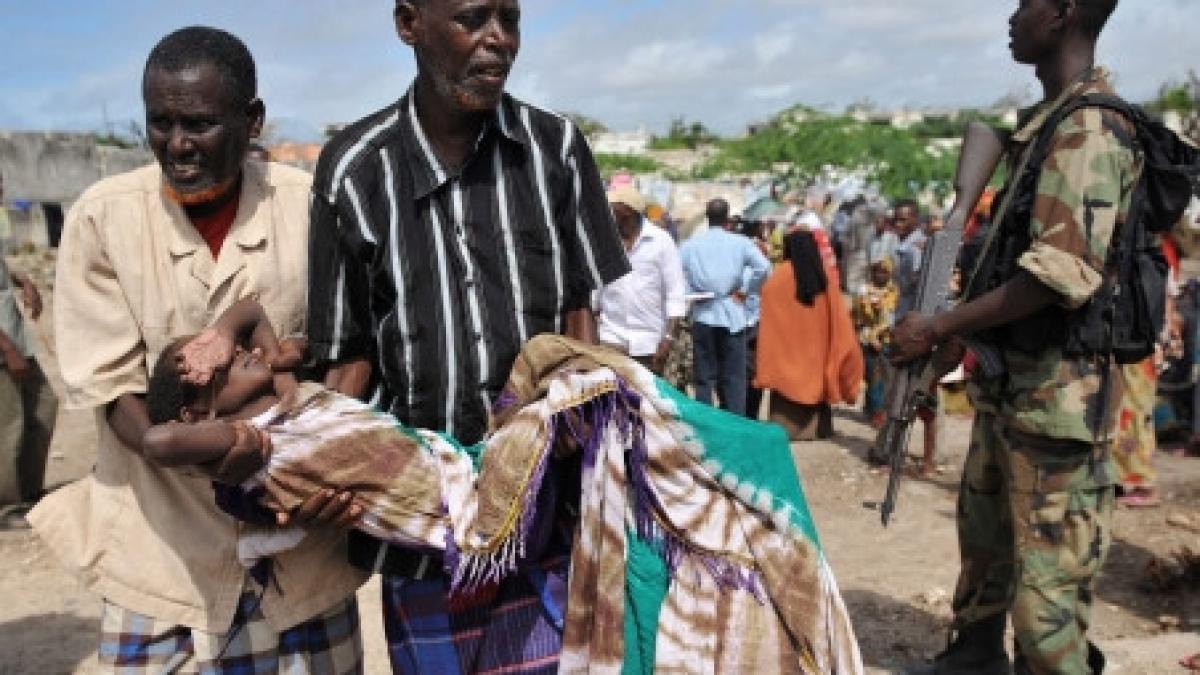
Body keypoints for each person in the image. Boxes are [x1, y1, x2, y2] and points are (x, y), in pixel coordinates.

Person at [30, 27, 367, 673]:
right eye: (161, 123)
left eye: (201, 124)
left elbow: (350, 349)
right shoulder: (104, 216)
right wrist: (201, 453)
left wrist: (318, 459)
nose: (177, 145)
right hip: (163, 555)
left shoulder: (309, 207)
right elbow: (111, 389)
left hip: (299, 549)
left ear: (253, 119)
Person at [306, 1, 630, 671]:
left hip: (549, 515)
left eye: (509, 20)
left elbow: (580, 319)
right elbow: (351, 353)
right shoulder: (354, 171)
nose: (498, 42)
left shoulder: (556, 151)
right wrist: (323, 457)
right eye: (473, 19)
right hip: (426, 528)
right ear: (408, 23)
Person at [891, 1, 1137, 672]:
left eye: (1025, 2)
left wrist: (940, 324)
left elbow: (1058, 277)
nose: (1011, 15)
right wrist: (951, 338)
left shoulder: (1090, 127)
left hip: (1059, 397)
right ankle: (972, 656)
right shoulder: (1045, 128)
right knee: (986, 552)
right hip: (1013, 386)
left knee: (1048, 596)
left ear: (1060, 14)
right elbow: (1008, 261)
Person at [755, 229, 863, 439]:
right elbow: (841, 326)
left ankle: (788, 430)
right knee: (814, 389)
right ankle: (815, 430)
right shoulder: (824, 281)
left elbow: (769, 323)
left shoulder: (777, 280)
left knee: (784, 411)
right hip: (816, 359)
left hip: (786, 363)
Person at [680, 198, 771, 416]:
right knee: (734, 378)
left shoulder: (691, 245)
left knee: (704, 379)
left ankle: (706, 427)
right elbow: (764, 268)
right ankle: (735, 425)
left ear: (707, 218)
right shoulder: (740, 243)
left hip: (704, 314)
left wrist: (691, 294)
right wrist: (747, 290)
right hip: (733, 315)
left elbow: (675, 272)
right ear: (727, 219)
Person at [0, 191, 56, 527]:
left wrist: (23, 280)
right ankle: (7, 506)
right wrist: (7, 349)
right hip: (6, 344)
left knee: (43, 405)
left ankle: (30, 491)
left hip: (14, 335)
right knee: (8, 425)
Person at [594, 185, 686, 375]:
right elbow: (596, 291)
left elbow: (675, 293)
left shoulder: (661, 241)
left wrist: (668, 338)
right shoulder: (605, 242)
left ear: (627, 211)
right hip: (611, 339)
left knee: (646, 402)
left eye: (612, 208)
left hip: (649, 342)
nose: (606, 212)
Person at [853, 256, 898, 427]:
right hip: (865, 339)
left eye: (884, 272)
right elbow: (856, 314)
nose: (880, 275)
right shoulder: (864, 290)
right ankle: (870, 407)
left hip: (883, 340)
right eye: (877, 271)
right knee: (868, 374)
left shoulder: (892, 291)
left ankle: (878, 412)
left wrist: (876, 336)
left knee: (880, 378)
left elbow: (889, 318)